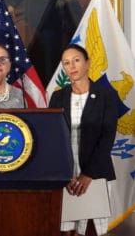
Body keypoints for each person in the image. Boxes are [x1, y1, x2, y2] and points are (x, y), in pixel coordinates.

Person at [49, 44, 118, 236]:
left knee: (93, 229)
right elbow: (52, 137)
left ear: (87, 63)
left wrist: (88, 174)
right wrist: (64, 173)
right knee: (66, 229)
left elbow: (107, 137)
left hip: (96, 169)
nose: (72, 66)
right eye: (66, 63)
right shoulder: (57, 97)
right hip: (65, 171)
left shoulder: (106, 96)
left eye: (76, 60)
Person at [0, 0, 87, 86]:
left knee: (51, 54)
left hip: (52, 13)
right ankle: (39, 88)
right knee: (37, 53)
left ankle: (51, 86)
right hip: (33, 14)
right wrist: (12, 4)